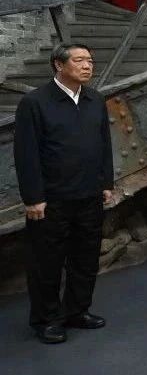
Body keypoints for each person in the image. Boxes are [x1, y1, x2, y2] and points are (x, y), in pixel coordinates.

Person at [13, 43, 114, 344]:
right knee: (46, 263)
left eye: (90, 60)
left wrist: (106, 182)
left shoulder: (95, 99)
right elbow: (26, 153)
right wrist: (33, 198)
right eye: (79, 60)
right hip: (51, 200)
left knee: (85, 258)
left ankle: (77, 311)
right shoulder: (35, 102)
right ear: (59, 64)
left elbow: (104, 144)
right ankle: (46, 320)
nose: (87, 65)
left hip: (89, 194)